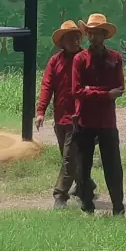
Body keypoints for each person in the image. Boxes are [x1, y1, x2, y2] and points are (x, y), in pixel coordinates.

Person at [36, 20, 98, 210]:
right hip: (60, 118)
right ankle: (85, 186)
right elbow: (47, 86)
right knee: (71, 157)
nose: (75, 39)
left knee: (69, 158)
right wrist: (40, 112)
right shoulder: (55, 61)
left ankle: (60, 195)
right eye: (70, 37)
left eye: (77, 36)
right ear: (62, 42)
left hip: (79, 118)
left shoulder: (86, 58)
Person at [71, 13, 126, 216]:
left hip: (106, 121)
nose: (94, 37)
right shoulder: (79, 59)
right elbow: (77, 90)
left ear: (104, 35)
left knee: (113, 166)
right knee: (83, 167)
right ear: (87, 35)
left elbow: (119, 88)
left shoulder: (115, 58)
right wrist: (104, 93)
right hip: (84, 119)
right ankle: (87, 206)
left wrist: (91, 91)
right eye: (91, 33)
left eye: (97, 33)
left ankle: (118, 208)